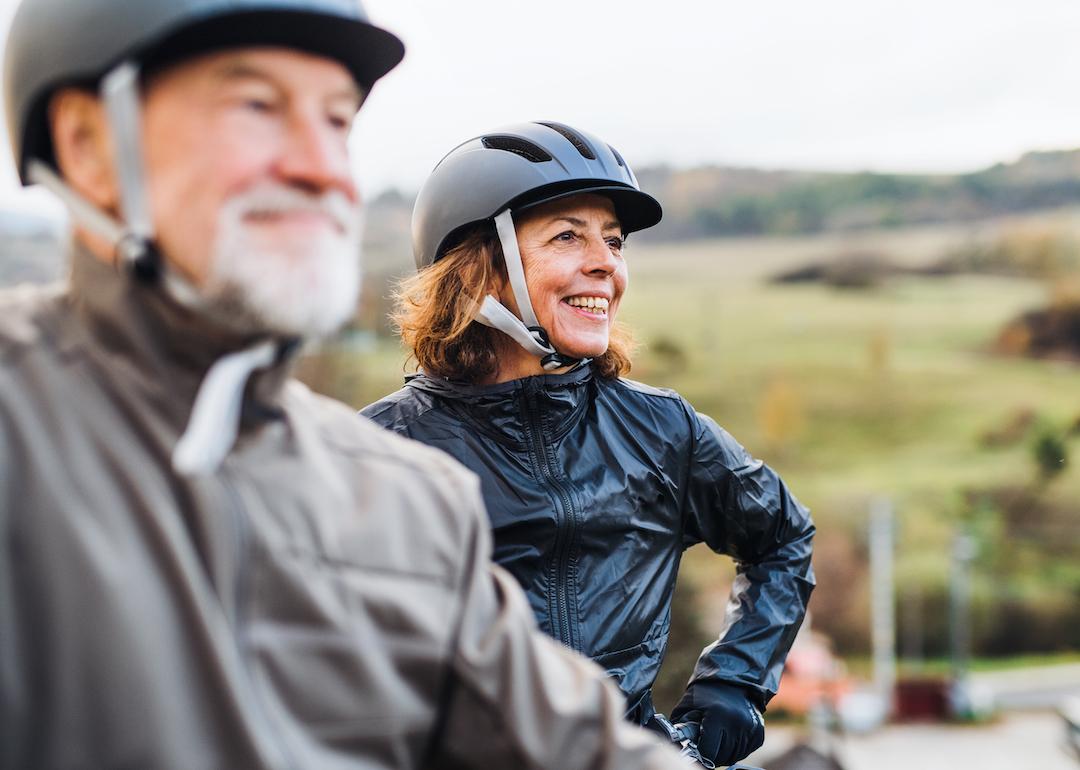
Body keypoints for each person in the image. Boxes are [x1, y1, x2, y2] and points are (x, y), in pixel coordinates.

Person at [0, 4, 687, 768]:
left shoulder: (408, 502)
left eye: (336, 123)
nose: (322, 168)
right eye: (257, 106)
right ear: (89, 144)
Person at [363, 121, 817, 767]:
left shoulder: (664, 432)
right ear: (479, 269)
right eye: (568, 236)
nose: (606, 264)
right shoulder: (376, 454)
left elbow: (784, 537)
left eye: (613, 240)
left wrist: (734, 686)